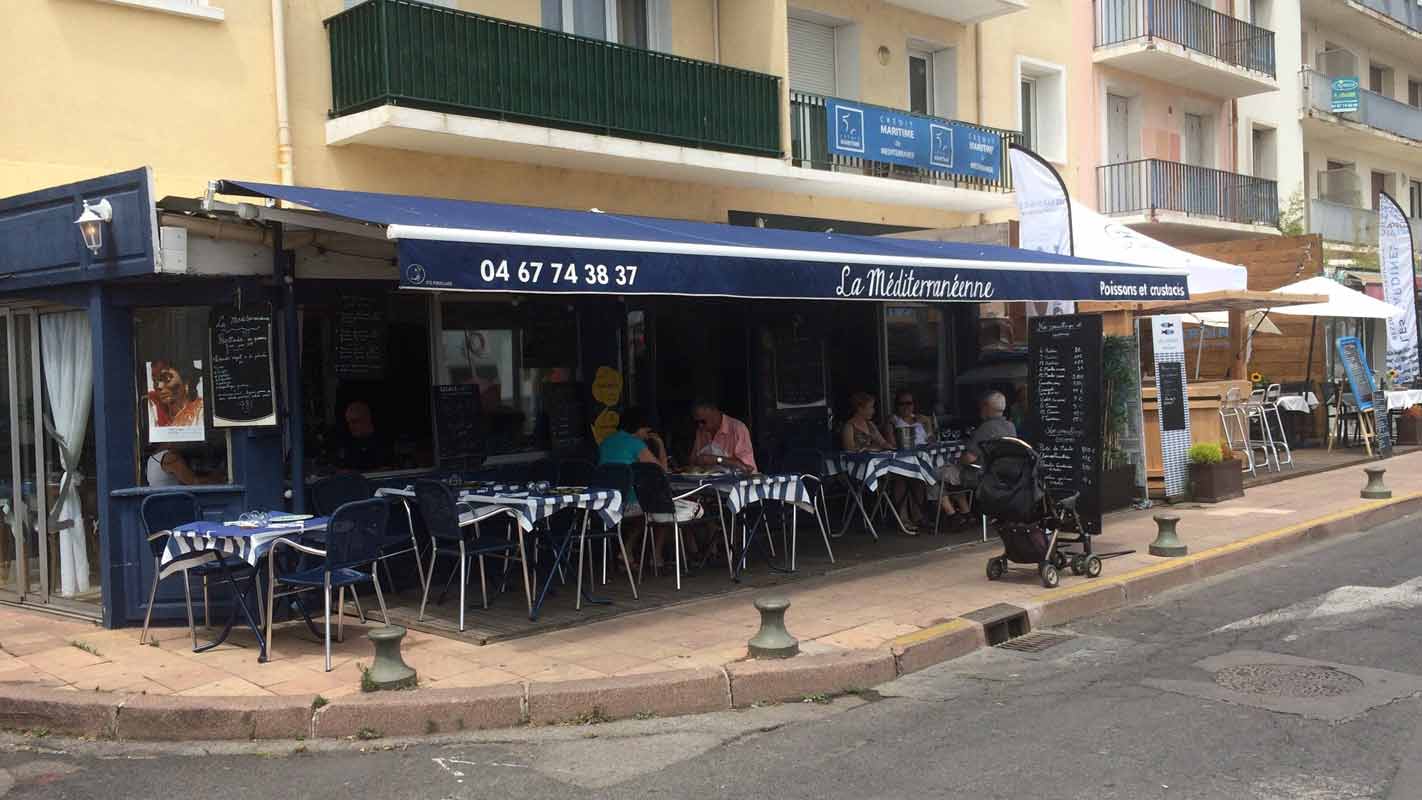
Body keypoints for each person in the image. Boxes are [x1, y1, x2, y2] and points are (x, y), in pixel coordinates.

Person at [940, 390, 1018, 522]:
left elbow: (969, 458)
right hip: (1003, 476)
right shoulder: (1011, 426)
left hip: (981, 477)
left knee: (933, 474)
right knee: (952, 476)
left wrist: (958, 461)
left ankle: (952, 515)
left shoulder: (985, 428)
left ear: (987, 406)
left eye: (981, 405)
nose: (979, 409)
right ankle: (966, 512)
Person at [690, 401, 757, 473]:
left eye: (703, 421)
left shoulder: (737, 429)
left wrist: (717, 459)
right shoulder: (701, 431)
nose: (700, 425)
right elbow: (693, 462)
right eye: (697, 422)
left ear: (714, 413)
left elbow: (748, 468)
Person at [330, 400, 395, 472]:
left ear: (367, 419)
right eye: (348, 422)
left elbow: (388, 470)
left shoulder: (384, 442)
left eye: (355, 421)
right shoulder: (346, 443)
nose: (351, 426)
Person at [147, 359, 204, 429]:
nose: (159, 386)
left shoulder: (201, 413)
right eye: (154, 380)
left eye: (166, 378)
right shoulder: (153, 408)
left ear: (186, 381)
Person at [145, 445, 221, 487]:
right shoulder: (170, 457)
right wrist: (217, 479)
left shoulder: (153, 457)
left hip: (162, 502)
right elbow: (193, 482)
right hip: (172, 502)